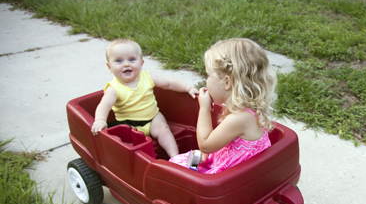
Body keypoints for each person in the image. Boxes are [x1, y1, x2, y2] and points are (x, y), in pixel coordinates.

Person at [169, 38, 276, 174]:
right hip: (228, 164)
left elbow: (206, 145)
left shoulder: (240, 118)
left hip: (227, 177)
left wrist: (204, 108)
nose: (206, 80)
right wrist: (206, 154)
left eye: (208, 75)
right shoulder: (247, 109)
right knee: (192, 158)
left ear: (227, 82)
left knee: (175, 167)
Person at [91, 38, 197, 159]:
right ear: (109, 67)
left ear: (141, 63)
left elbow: (168, 83)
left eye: (132, 59)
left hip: (153, 118)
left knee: (164, 129)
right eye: (119, 61)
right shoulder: (114, 88)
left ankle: (176, 157)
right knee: (132, 148)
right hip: (130, 126)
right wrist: (100, 119)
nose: (126, 64)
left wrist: (188, 88)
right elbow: (105, 104)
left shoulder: (147, 77)